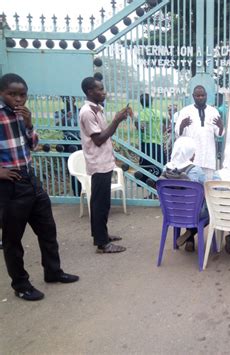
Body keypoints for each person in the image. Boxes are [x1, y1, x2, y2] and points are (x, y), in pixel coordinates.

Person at [0, 73, 79, 301]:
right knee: (13, 240)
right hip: (10, 185)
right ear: (2, 93)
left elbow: (33, 145)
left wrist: (29, 123)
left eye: (22, 94)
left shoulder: (22, 115)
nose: (18, 99)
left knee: (47, 230)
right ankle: (21, 284)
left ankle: (53, 272)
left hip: (31, 180)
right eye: (12, 94)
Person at [79, 77, 132, 254]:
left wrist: (117, 120)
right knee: (100, 204)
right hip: (98, 163)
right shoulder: (87, 112)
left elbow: (104, 135)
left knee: (101, 203)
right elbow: (99, 139)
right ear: (89, 92)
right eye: (100, 89)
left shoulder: (97, 109)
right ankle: (102, 243)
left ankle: (101, 235)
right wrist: (116, 120)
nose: (104, 92)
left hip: (104, 162)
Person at [162, 137, 206, 252]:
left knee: (188, 202)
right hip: (192, 213)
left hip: (171, 212)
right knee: (209, 211)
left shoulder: (166, 168)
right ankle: (190, 233)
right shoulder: (196, 171)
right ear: (190, 154)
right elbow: (205, 190)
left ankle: (189, 239)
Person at [175, 85, 224, 180]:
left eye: (202, 95)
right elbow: (178, 133)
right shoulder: (186, 111)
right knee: (193, 186)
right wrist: (182, 126)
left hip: (208, 155)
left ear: (206, 95)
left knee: (207, 186)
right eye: (198, 96)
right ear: (193, 96)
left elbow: (219, 134)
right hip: (192, 158)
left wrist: (221, 127)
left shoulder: (213, 111)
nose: (200, 98)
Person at [135, 93, 168, 180]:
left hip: (147, 144)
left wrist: (136, 124)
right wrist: (163, 130)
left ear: (141, 103)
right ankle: (156, 190)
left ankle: (149, 187)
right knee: (159, 166)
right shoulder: (159, 113)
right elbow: (167, 121)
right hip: (158, 143)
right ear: (152, 102)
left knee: (147, 167)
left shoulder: (142, 113)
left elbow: (142, 128)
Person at [54, 96, 82, 196]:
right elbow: (56, 125)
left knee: (84, 167)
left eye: (71, 98)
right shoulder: (60, 112)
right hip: (68, 142)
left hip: (81, 142)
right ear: (63, 100)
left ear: (75, 99)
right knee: (73, 169)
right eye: (66, 99)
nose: (69, 101)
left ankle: (85, 190)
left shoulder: (81, 111)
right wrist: (65, 117)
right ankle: (77, 193)